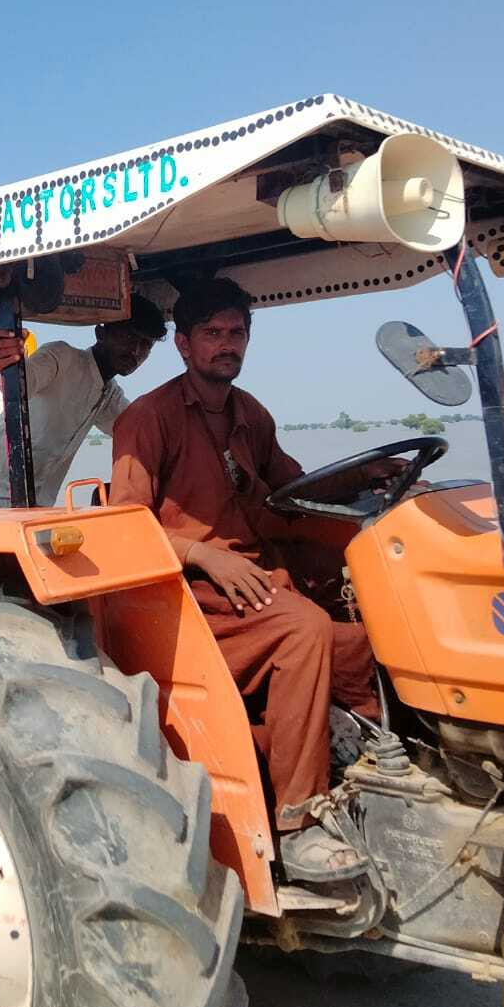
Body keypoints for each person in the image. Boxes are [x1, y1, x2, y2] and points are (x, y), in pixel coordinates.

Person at [111, 278, 393, 886]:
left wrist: (369, 476)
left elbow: (291, 490)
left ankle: (374, 766)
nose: (226, 344)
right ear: (184, 345)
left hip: (254, 578)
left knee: (363, 624)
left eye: (236, 333)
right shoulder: (147, 419)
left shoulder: (250, 416)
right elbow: (124, 527)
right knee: (306, 630)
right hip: (190, 592)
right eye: (212, 333)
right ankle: (299, 823)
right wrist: (206, 556)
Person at [0, 294, 166, 511]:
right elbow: (22, 379)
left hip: (28, 511)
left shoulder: (109, 395)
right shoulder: (61, 357)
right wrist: (6, 358)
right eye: (129, 337)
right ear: (100, 333)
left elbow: (143, 433)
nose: (136, 351)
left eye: (145, 345)